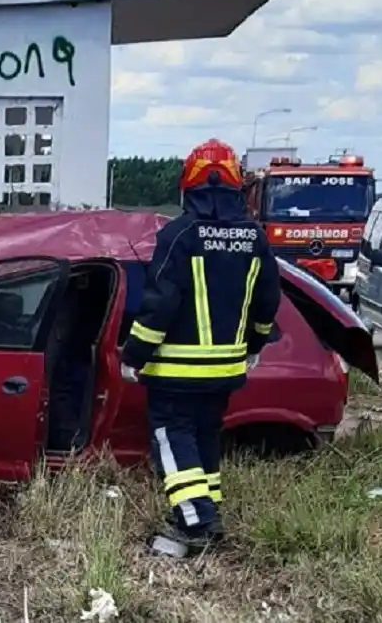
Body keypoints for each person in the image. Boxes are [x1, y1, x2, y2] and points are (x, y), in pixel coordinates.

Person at [119, 138, 281, 551]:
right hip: (226, 371)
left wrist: (133, 354)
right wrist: (256, 344)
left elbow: (160, 304)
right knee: (204, 438)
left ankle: (196, 524)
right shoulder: (255, 239)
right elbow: (267, 302)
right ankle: (205, 512)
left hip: (176, 371)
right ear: (236, 188)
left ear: (188, 187)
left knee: (172, 440)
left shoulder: (179, 235)